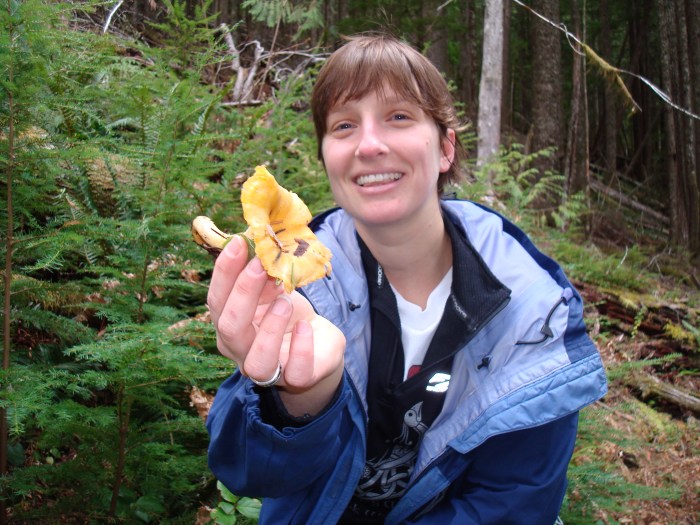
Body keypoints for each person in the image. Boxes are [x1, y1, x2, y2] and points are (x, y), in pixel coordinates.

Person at [205, 33, 608, 525]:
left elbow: (515, 505)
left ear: (445, 148)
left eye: (398, 117)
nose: (369, 145)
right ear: (327, 157)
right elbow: (245, 472)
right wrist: (300, 397)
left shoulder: (532, 313)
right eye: (344, 125)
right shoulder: (300, 285)